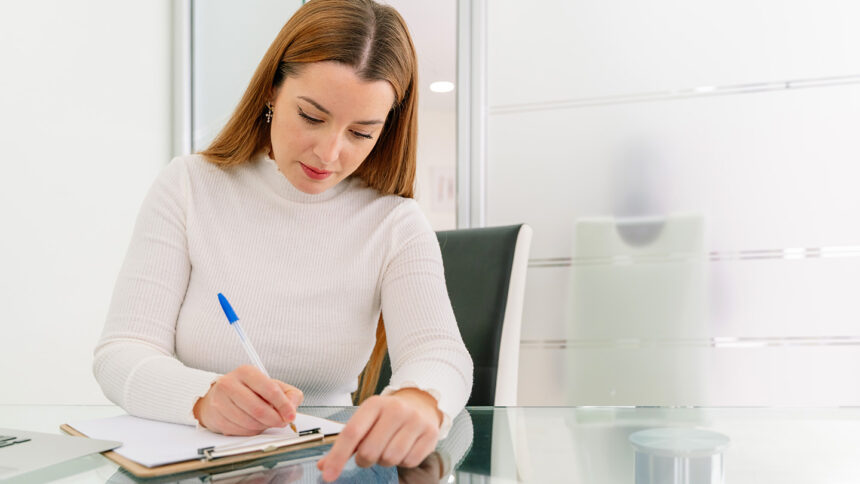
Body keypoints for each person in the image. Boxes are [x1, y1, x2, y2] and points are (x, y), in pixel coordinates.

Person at [92, 0, 473, 481]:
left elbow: (440, 354)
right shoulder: (189, 185)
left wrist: (420, 399)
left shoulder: (395, 222)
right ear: (273, 90)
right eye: (312, 117)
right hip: (194, 463)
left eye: (361, 132)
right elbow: (121, 351)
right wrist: (202, 398)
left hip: (329, 464)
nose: (330, 153)